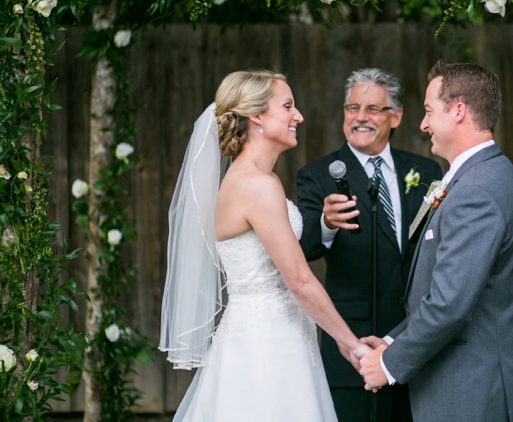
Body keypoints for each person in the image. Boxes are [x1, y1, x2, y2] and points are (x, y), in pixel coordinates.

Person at [159, 70, 371, 422]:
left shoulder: (255, 179)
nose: (298, 116)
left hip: (275, 333)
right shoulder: (257, 185)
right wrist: (351, 343)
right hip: (267, 347)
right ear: (256, 116)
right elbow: (300, 280)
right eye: (288, 106)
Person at [359, 61, 513, 422]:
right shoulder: (481, 176)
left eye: (428, 111)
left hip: (472, 395)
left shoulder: (476, 190)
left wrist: (389, 364)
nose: (423, 124)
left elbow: (449, 304)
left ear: (458, 111)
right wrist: (393, 341)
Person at [297, 69, 442, 422]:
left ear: (396, 117)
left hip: (414, 341)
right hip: (354, 345)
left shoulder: (424, 170)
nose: (360, 117)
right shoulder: (317, 174)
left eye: (374, 109)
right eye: (353, 107)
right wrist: (326, 223)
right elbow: (302, 248)